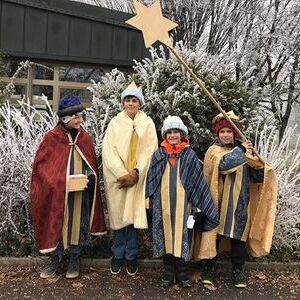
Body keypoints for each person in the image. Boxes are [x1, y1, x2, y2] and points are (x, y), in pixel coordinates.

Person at [193, 111, 277, 288]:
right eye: (222, 132)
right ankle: (209, 268)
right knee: (213, 236)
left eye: (229, 132)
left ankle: (237, 272)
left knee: (238, 240)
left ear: (235, 133)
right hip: (218, 203)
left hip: (239, 205)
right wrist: (241, 150)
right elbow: (224, 165)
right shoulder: (214, 151)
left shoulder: (245, 153)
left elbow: (256, 176)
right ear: (218, 134)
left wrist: (263, 167)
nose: (225, 135)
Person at [31, 96, 106, 279]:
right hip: (57, 194)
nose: (80, 120)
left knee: (77, 224)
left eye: (80, 116)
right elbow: (42, 168)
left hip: (79, 195)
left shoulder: (85, 137)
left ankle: (74, 259)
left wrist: (89, 177)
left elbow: (91, 165)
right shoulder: (52, 138)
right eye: (76, 117)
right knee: (57, 222)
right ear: (65, 118)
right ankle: (55, 260)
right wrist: (58, 182)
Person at [145, 116, 219, 287]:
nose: (172, 135)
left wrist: (199, 206)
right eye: (169, 132)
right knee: (165, 236)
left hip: (185, 207)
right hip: (161, 206)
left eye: (176, 132)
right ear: (164, 135)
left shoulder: (190, 155)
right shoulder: (158, 154)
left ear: (182, 134)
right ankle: (168, 272)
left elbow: (197, 182)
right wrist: (148, 202)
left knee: (184, 236)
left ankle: (182, 272)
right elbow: (152, 180)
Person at [102, 81, 158, 276]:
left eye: (134, 100)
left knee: (134, 218)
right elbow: (109, 152)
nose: (131, 104)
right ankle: (117, 254)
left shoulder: (147, 123)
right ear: (123, 103)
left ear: (140, 104)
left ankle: (131, 256)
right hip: (118, 179)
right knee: (119, 217)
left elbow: (149, 150)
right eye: (128, 100)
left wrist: (136, 172)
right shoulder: (115, 123)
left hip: (137, 179)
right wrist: (121, 174)